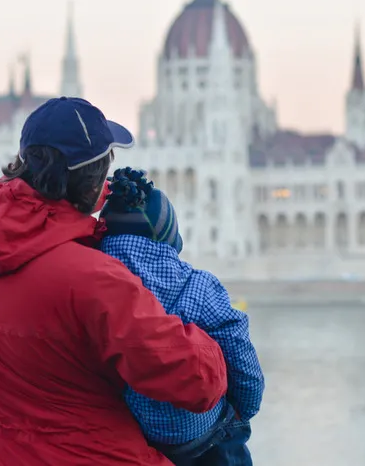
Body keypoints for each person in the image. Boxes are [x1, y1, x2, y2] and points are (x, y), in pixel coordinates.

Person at [0, 97, 228, 466]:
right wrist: (212, 338)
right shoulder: (93, 280)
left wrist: (96, 196)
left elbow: (27, 220)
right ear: (91, 184)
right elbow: (198, 382)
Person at [99, 167, 265, 466]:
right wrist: (243, 409)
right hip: (210, 437)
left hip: (138, 438)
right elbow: (239, 349)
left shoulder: (95, 286)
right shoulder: (198, 286)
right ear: (169, 236)